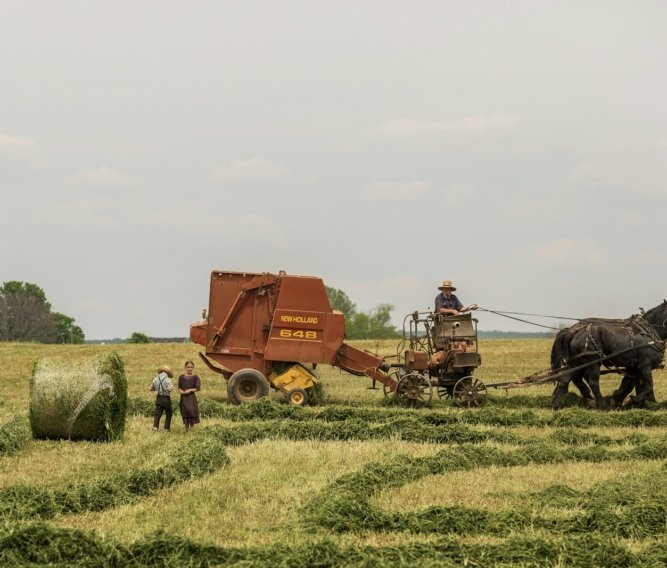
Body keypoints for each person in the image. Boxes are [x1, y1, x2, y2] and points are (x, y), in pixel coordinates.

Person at [178, 360, 201, 431]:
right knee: (185, 412)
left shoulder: (195, 377)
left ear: (193, 368)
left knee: (191, 411)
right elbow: (179, 387)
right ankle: (186, 428)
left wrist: (190, 390)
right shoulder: (181, 377)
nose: (190, 368)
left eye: (191, 367)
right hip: (184, 398)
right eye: (188, 367)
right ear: (185, 368)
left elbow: (198, 388)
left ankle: (191, 428)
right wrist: (181, 391)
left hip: (191, 398)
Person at [150, 365, 173, 432]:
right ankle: (166, 428)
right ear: (167, 373)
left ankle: (155, 427)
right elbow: (170, 389)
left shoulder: (155, 379)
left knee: (158, 413)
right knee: (169, 413)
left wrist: (157, 389)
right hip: (166, 398)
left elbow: (151, 388)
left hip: (159, 398)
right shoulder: (168, 380)